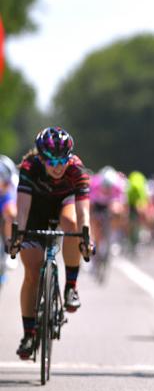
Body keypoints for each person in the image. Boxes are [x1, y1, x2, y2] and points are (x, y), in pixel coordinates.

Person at [10, 127, 94, 360]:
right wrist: (18, 235)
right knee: (32, 273)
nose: (57, 166)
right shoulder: (30, 168)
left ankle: (71, 287)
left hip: (63, 205)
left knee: (71, 222)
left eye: (62, 160)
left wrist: (85, 236)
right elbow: (23, 208)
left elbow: (83, 211)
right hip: (35, 209)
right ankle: (28, 333)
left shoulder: (76, 168)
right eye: (51, 160)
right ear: (40, 157)